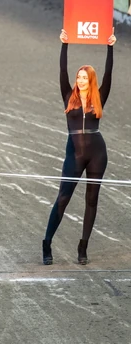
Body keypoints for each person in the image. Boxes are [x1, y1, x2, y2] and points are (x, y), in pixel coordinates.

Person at [43, 28, 116, 265]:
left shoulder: (99, 97)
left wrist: (110, 47)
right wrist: (64, 44)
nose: (80, 81)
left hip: (97, 153)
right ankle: (47, 242)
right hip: (74, 153)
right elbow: (62, 70)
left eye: (84, 78)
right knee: (63, 198)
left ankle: (83, 246)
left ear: (91, 80)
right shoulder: (68, 95)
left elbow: (109, 73)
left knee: (92, 200)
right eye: (79, 77)